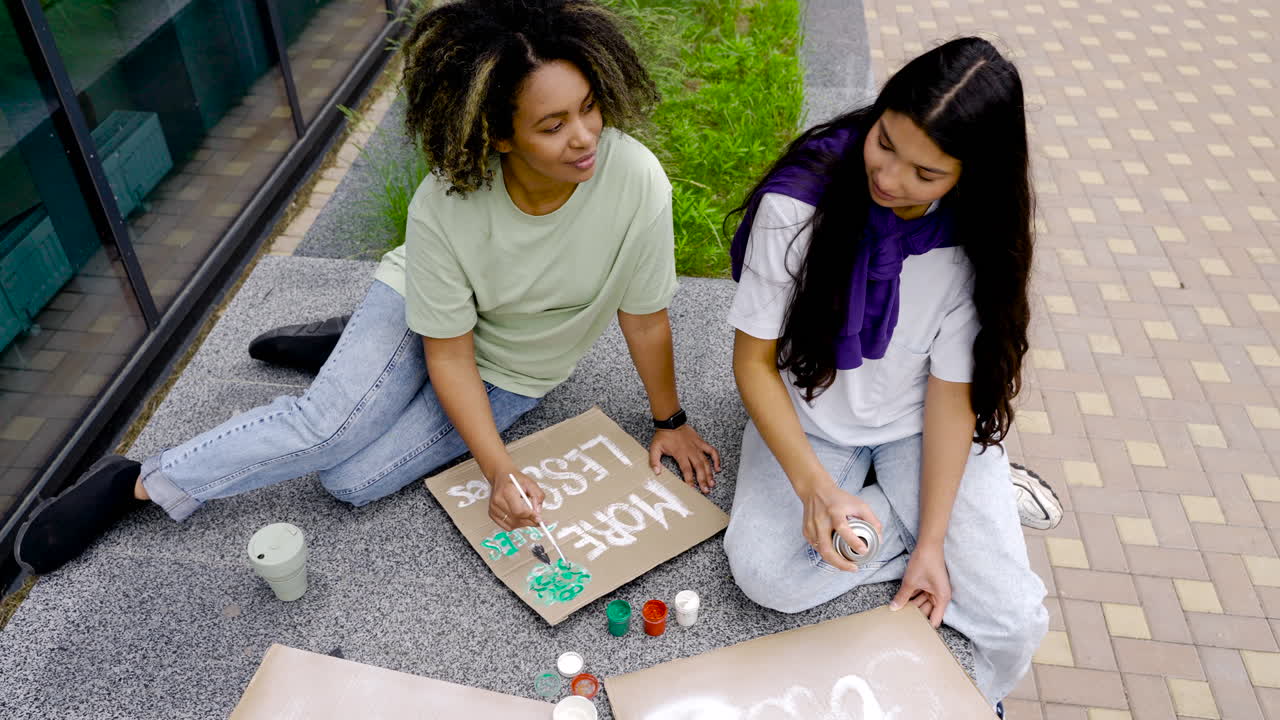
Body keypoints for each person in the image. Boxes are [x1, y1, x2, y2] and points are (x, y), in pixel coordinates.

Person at [17, 0, 720, 575]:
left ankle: (347, 346)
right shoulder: (447, 205)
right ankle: (141, 482)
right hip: (430, 322)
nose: (585, 136)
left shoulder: (635, 182)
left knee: (349, 483)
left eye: (590, 107)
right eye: (553, 124)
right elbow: (447, 354)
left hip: (515, 370)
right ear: (499, 137)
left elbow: (646, 318)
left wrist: (669, 420)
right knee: (329, 427)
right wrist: (501, 472)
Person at [723, 38, 1056, 716]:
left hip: (920, 427)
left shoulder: (977, 240)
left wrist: (934, 543)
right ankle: (934, 508)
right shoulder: (799, 205)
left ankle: (947, 517)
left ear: (971, 176)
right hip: (814, 420)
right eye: (884, 142)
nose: (890, 178)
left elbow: (952, 391)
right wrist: (816, 490)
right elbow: (752, 363)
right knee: (766, 576)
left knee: (1014, 620)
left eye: (926, 173)